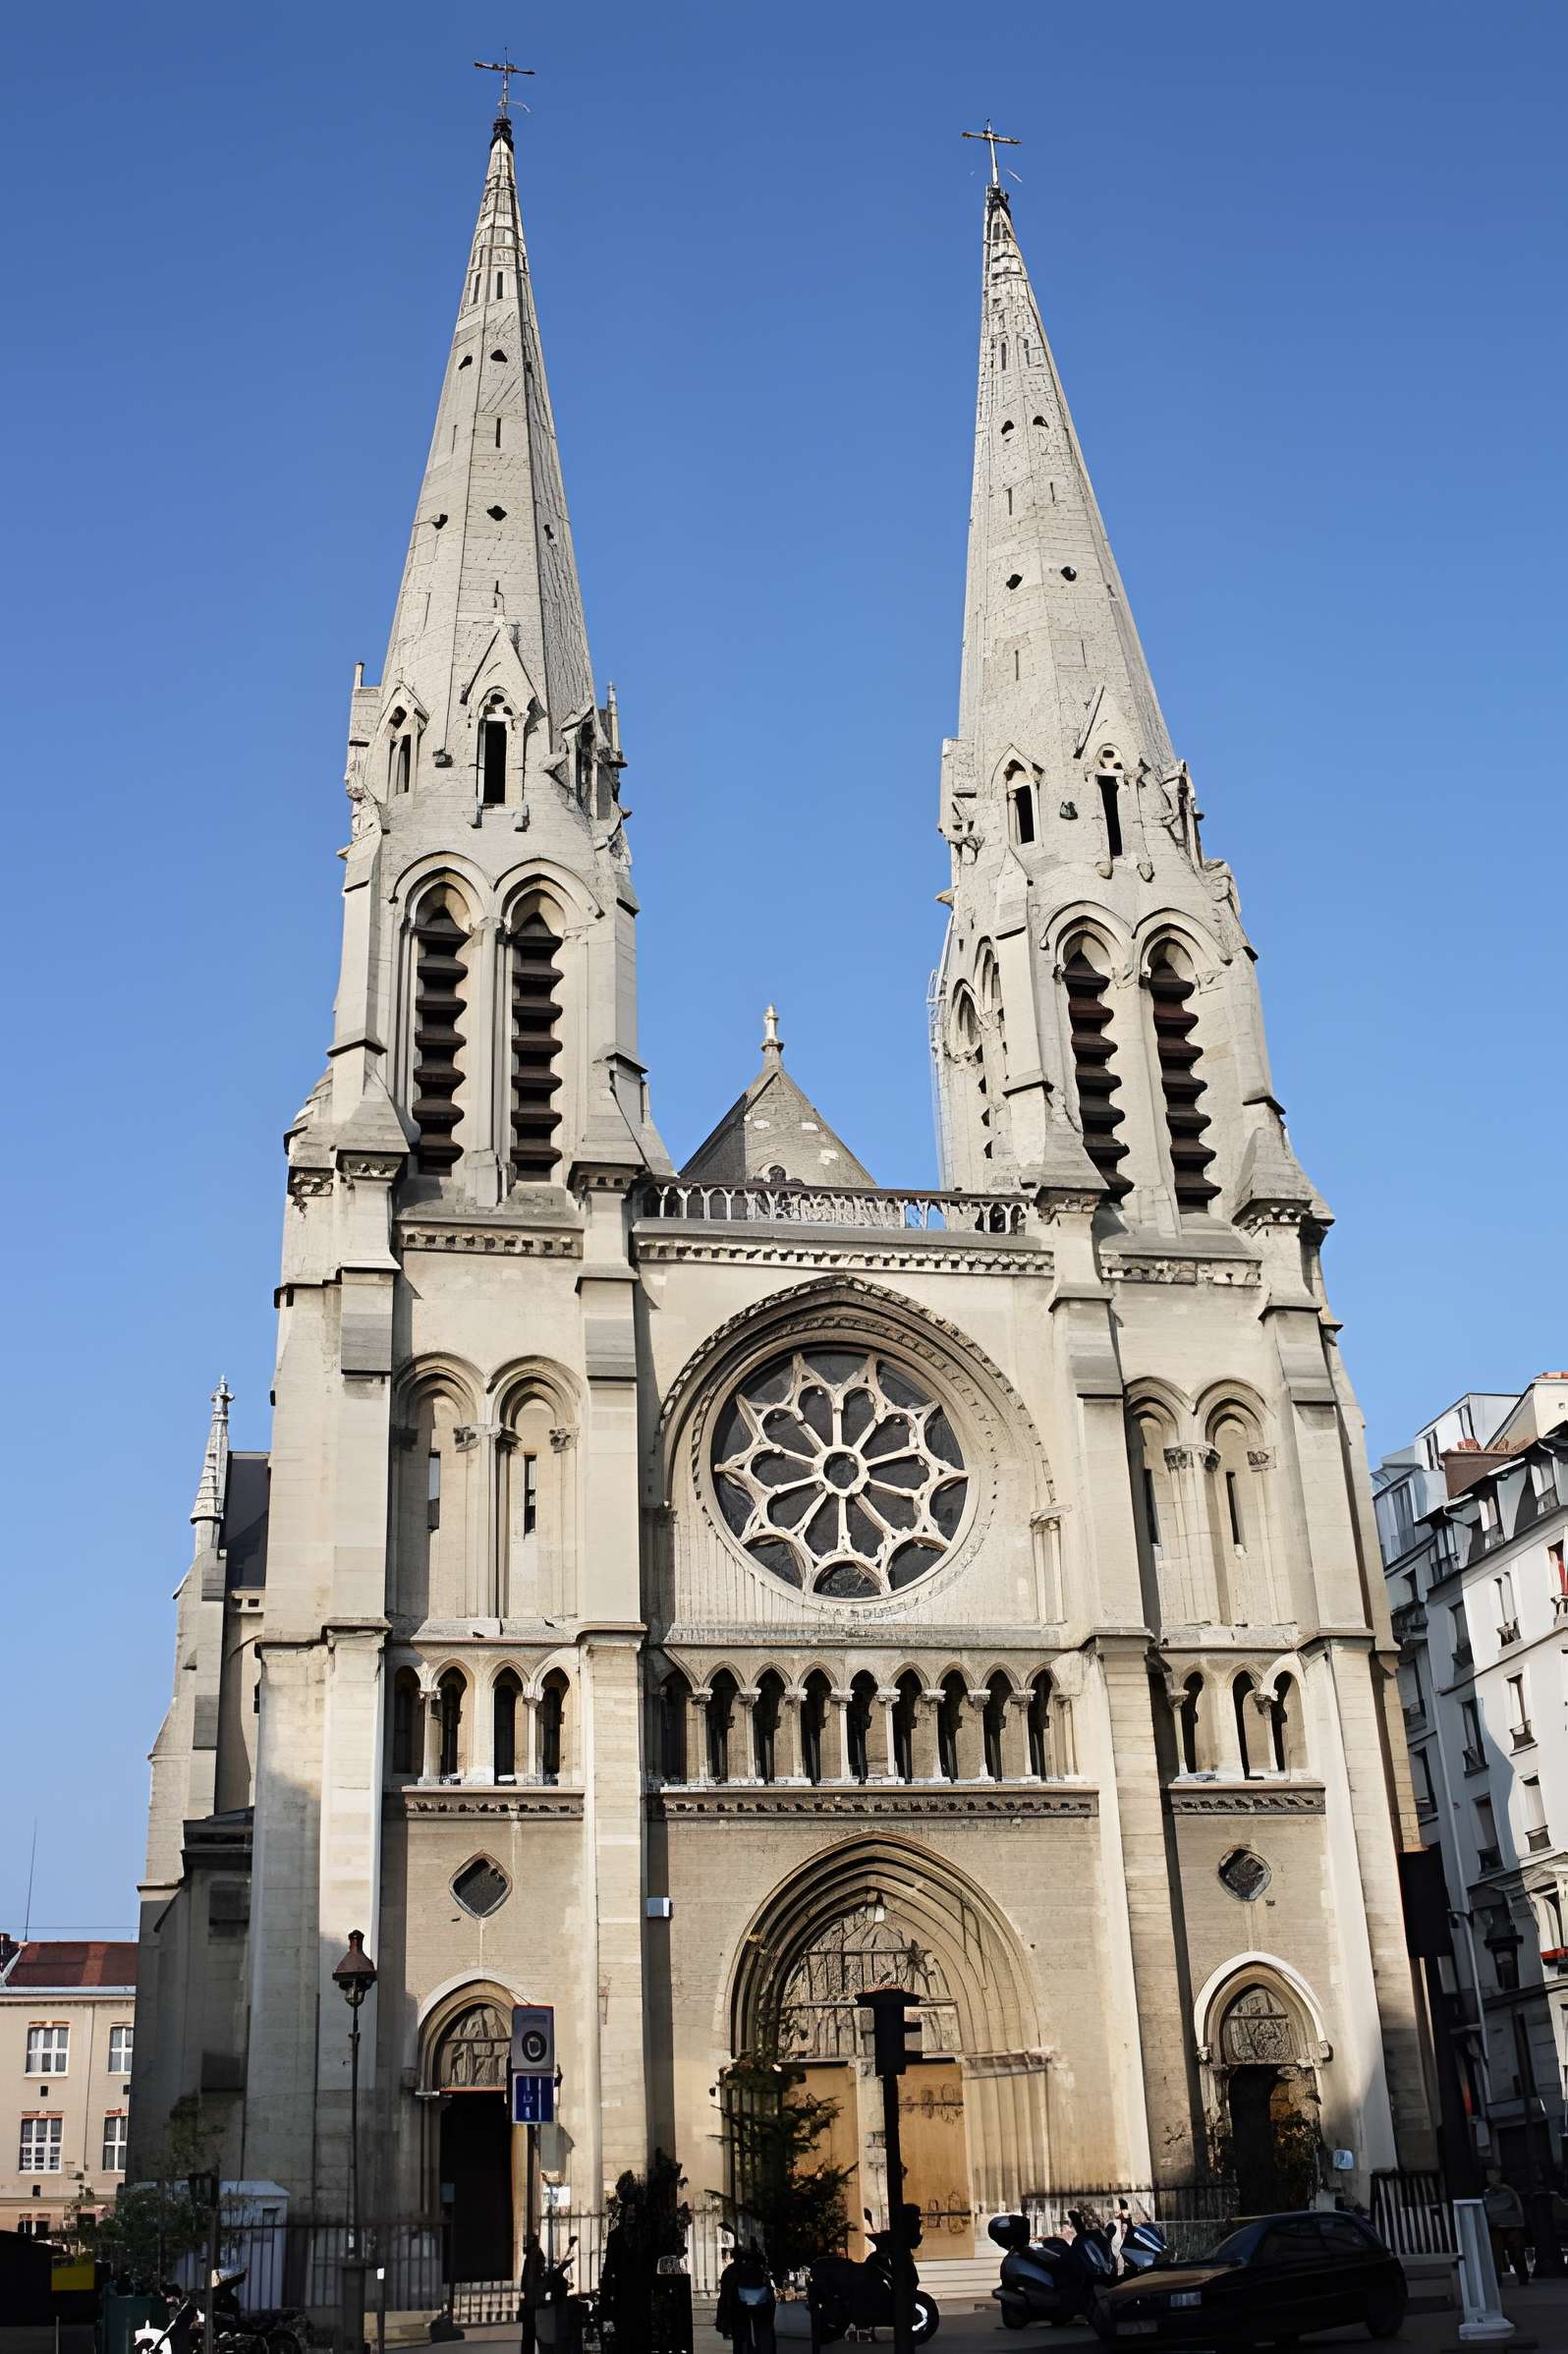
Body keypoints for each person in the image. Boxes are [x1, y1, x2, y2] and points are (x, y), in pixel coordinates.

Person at [1484, 2170, 1531, 2285]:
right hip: (1509, 2224)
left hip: (1502, 2225)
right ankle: (1521, 2276)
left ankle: (1500, 2278)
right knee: (1512, 2250)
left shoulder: (1494, 2192)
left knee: (1503, 2251)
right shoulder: (1508, 2190)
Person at [521, 2231, 547, 2354]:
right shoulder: (535, 2257)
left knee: (530, 2334)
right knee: (533, 2333)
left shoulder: (533, 2258)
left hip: (532, 2302)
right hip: (533, 2302)